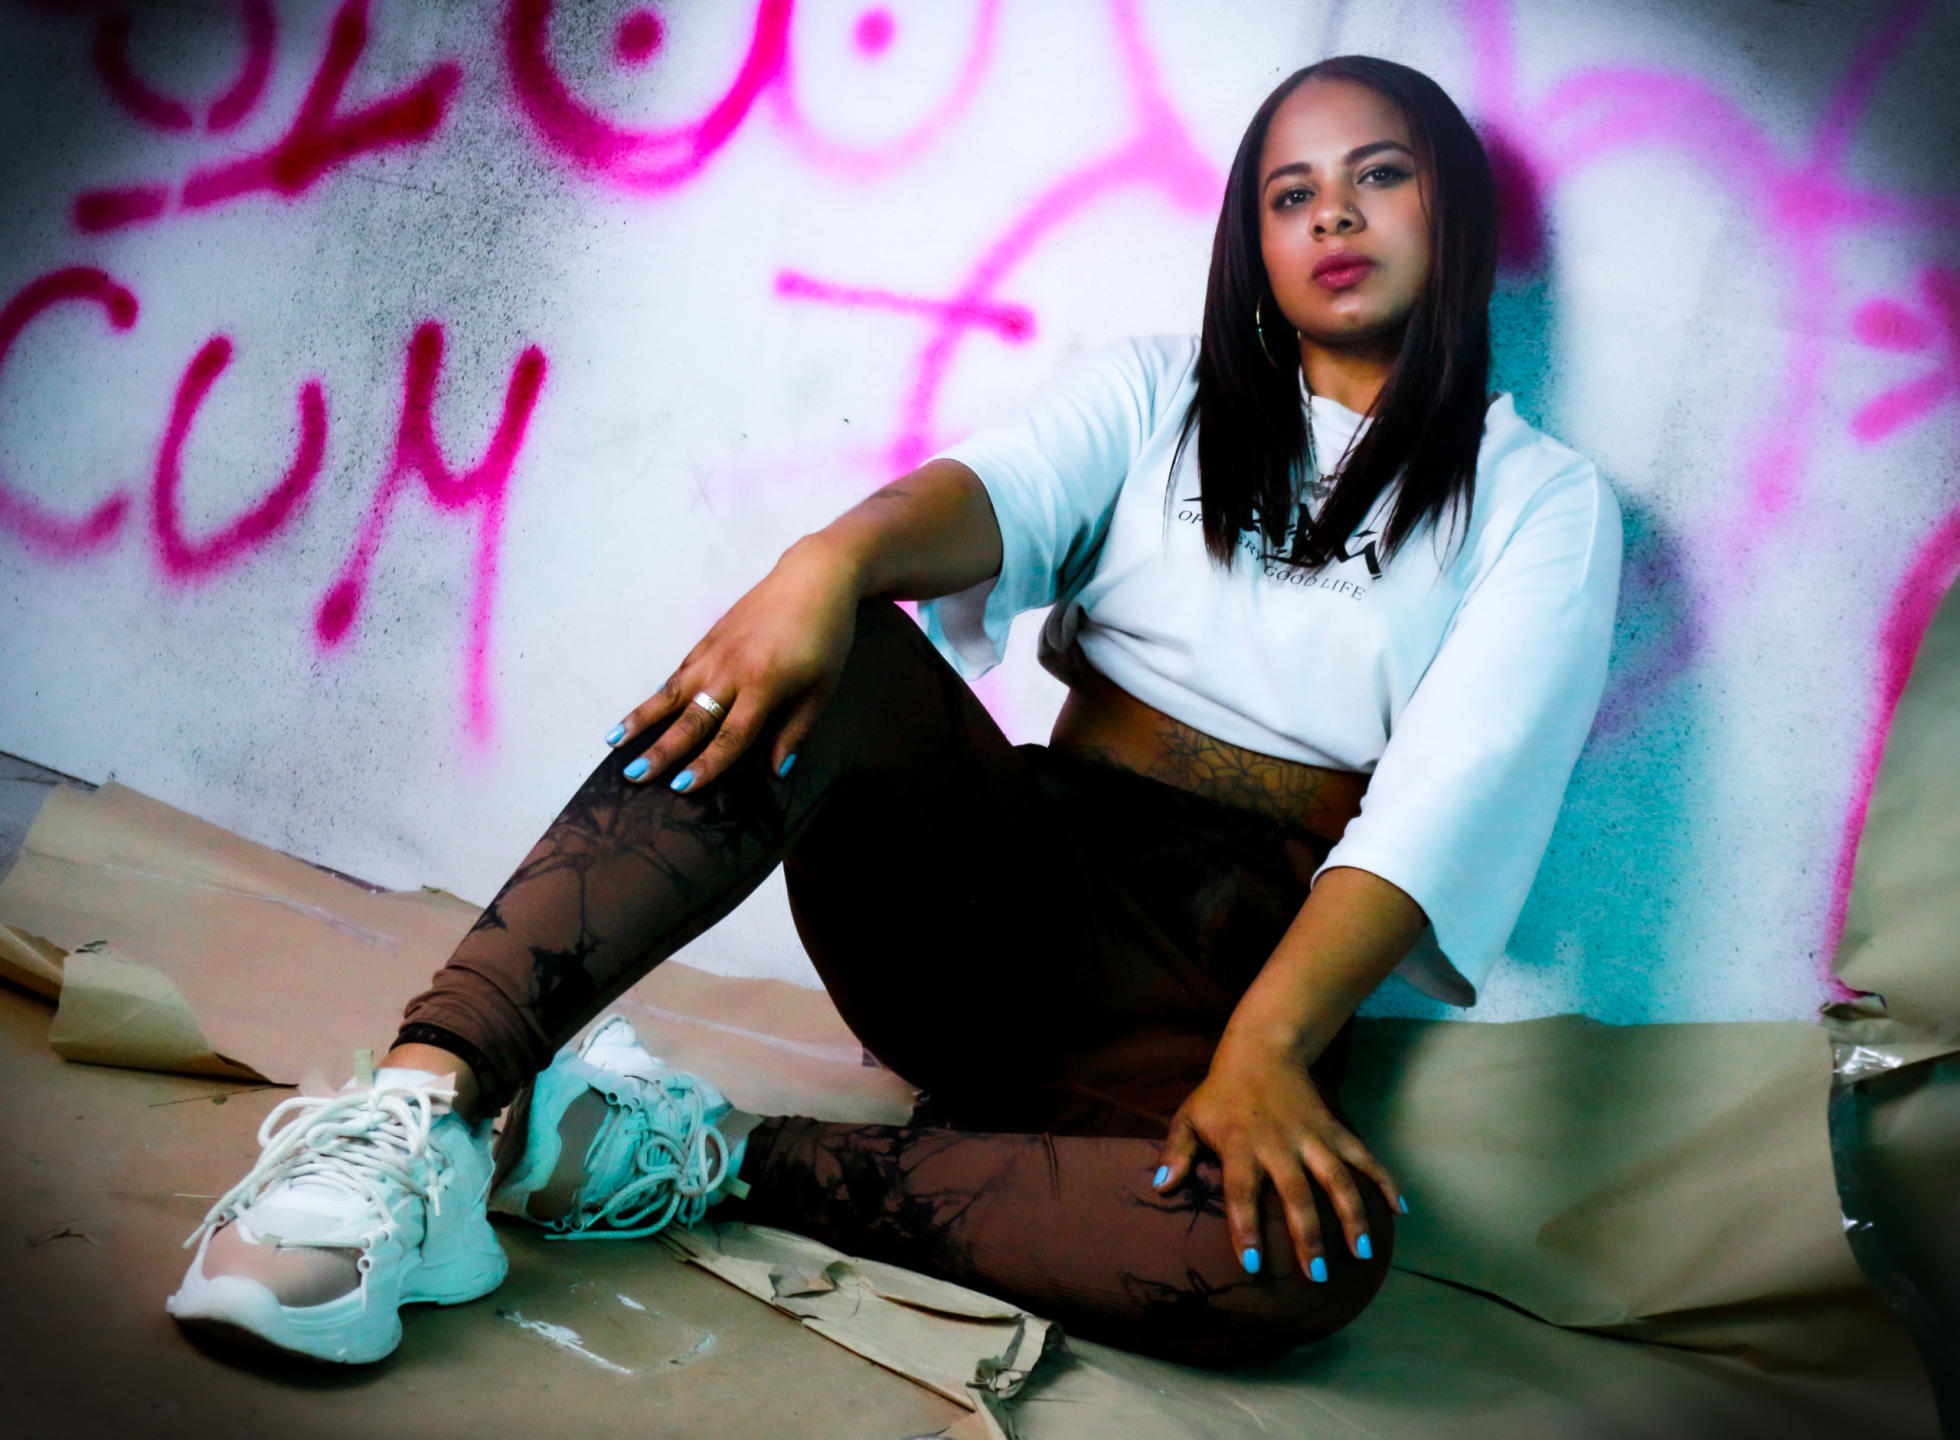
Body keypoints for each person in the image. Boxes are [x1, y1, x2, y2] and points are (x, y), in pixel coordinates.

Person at [165, 54, 1621, 1374]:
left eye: (1379, 175)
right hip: (1000, 910)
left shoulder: (1539, 503)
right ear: (1253, 241)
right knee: (840, 647)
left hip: (1209, 1015)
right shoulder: (1159, 394)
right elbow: (996, 491)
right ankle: (419, 1116)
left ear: (1456, 211)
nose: (1333, 216)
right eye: (1290, 194)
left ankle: (702, 1154)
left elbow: (1439, 804)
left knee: (1307, 1262)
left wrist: (1264, 1055)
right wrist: (827, 562)